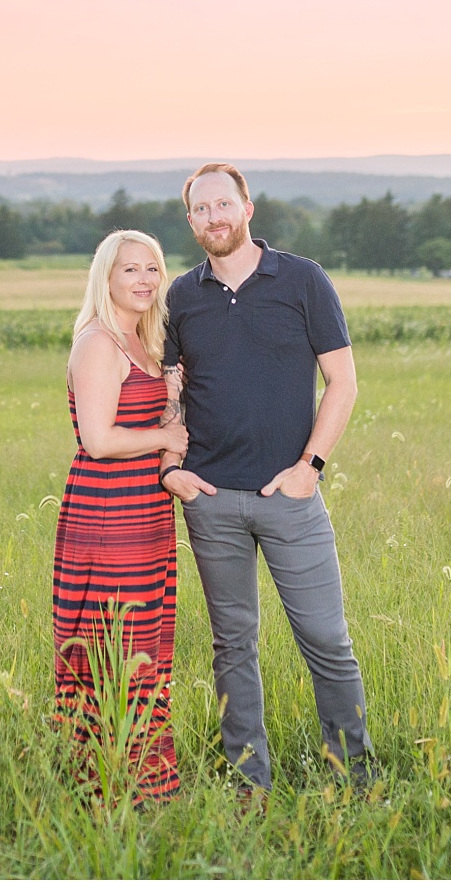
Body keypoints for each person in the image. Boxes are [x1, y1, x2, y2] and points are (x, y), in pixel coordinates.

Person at [158, 162, 375, 797]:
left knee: (326, 641)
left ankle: (354, 778)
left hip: (291, 499)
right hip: (212, 501)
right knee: (233, 647)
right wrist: (173, 469)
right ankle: (248, 783)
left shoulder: (303, 280)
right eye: (201, 210)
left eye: (224, 204)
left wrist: (310, 469)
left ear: (248, 207)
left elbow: (343, 382)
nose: (214, 217)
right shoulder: (181, 296)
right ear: (192, 220)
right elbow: (173, 388)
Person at [52, 229, 189, 805]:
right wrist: (165, 432)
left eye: (152, 268)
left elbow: (170, 426)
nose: (143, 280)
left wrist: (174, 399)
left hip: (148, 513)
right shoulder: (99, 344)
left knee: (146, 647)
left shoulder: (146, 345)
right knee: (112, 644)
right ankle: (102, 784)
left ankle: (147, 782)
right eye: (129, 269)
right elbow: (99, 439)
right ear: (105, 277)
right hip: (108, 513)